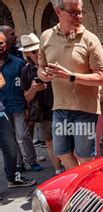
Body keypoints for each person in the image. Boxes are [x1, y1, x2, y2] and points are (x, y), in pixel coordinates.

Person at [38, 0, 103, 171]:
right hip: (60, 107)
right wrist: (43, 75)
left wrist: (70, 76)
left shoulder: (91, 39)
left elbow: (101, 77)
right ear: (58, 12)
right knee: (60, 152)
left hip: (85, 109)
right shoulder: (46, 37)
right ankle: (81, 182)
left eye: (80, 12)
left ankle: (83, 188)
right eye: (73, 12)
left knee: (84, 157)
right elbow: (40, 67)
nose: (79, 17)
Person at [19, 33, 63, 175]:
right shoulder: (26, 71)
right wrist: (34, 89)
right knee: (49, 141)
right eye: (33, 51)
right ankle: (58, 170)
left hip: (61, 106)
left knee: (66, 140)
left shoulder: (53, 62)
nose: (37, 53)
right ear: (27, 53)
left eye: (39, 49)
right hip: (43, 112)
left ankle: (69, 168)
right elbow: (27, 97)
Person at [0, 31, 42, 173]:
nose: (0, 46)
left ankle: (32, 160)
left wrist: (27, 106)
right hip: (2, 108)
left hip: (18, 104)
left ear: (6, 44)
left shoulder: (18, 63)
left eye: (2, 43)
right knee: (11, 139)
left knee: (24, 135)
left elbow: (25, 83)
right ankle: (19, 163)